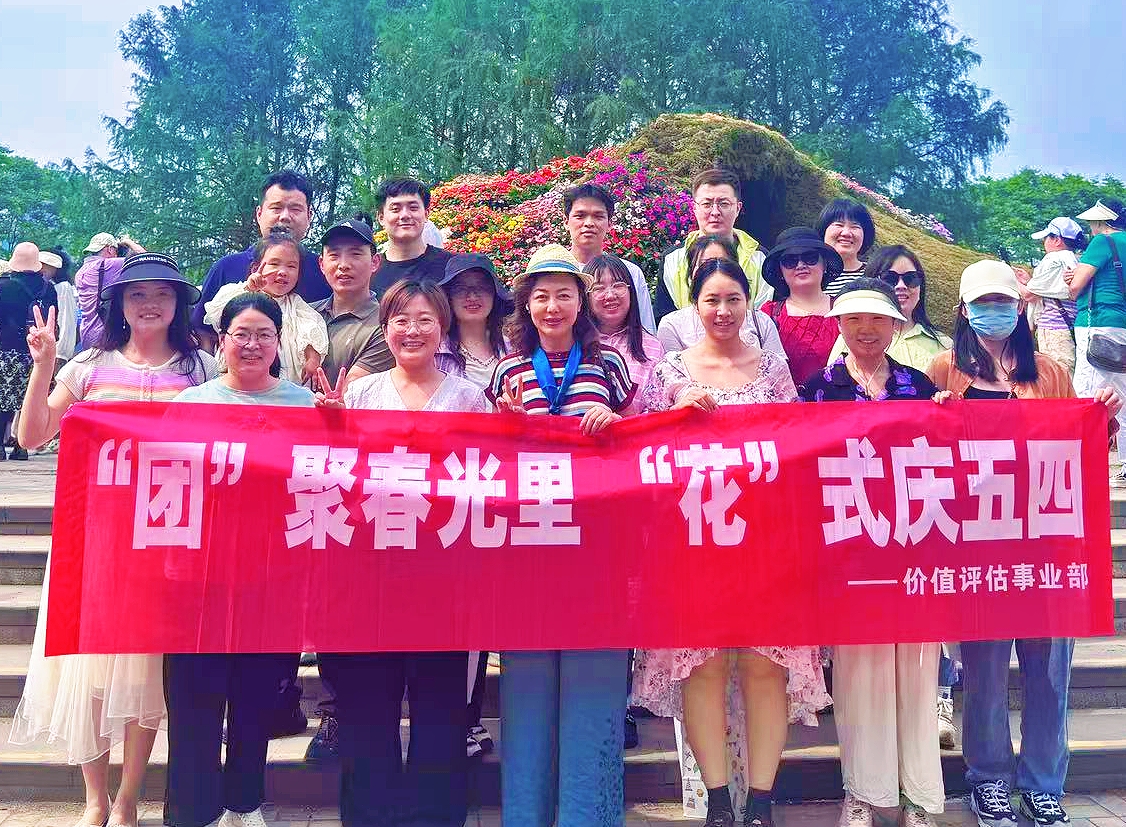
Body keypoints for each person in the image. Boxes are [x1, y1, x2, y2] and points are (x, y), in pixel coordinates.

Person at [11, 252, 215, 827]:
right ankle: (95, 799)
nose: (150, 304)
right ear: (119, 304)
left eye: (162, 294)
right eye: (137, 294)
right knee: (91, 669)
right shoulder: (89, 366)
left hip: (166, 537)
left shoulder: (200, 369)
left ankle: (128, 798)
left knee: (144, 669)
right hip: (94, 537)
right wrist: (43, 366)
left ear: (178, 304)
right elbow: (32, 435)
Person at [633, 257, 830, 827]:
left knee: (766, 664)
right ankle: (719, 801)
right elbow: (642, 452)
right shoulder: (669, 372)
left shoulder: (772, 368)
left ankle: (761, 802)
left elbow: (796, 444)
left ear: (749, 303)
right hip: (692, 541)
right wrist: (675, 415)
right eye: (711, 301)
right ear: (694, 306)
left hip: (765, 539)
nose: (722, 311)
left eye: (733, 300)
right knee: (704, 664)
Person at [929, 259, 1121, 827]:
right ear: (964, 310)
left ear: (1019, 307)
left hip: (1046, 547)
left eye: (1004, 301)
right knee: (985, 673)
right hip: (977, 547)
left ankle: (1043, 783)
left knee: (1049, 673)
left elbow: (1078, 449)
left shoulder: (1050, 372)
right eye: (984, 302)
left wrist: (1102, 422)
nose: (996, 311)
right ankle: (988, 779)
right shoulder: (943, 370)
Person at [314, 279, 483, 827]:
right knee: (368, 704)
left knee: (440, 706)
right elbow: (331, 478)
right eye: (400, 320)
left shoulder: (469, 398)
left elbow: (488, 479)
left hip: (443, 575)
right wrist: (328, 426)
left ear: (443, 327)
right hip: (369, 575)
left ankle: (436, 815)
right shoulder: (360, 394)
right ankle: (371, 815)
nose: (413, 330)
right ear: (385, 328)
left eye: (425, 319)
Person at [487, 244, 634, 827]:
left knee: (594, 675)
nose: (553, 306)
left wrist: (615, 424)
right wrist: (503, 427)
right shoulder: (506, 370)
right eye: (542, 296)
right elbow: (488, 456)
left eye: (564, 295)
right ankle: (525, 814)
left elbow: (639, 440)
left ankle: (588, 815)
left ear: (582, 303)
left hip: (596, 542)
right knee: (526, 680)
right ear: (526, 304)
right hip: (527, 541)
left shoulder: (609, 364)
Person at [798, 279, 944, 827]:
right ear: (839, 325)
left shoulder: (919, 386)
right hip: (850, 551)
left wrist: (948, 415)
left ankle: (919, 798)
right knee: (860, 675)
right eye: (855, 319)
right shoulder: (818, 389)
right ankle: (862, 793)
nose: (866, 329)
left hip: (913, 547)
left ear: (896, 326)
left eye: (878, 319)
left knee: (917, 672)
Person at [166, 292, 313, 827]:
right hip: (199, 573)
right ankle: (192, 811)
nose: (252, 345)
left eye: (264, 335)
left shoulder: (304, 405)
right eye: (241, 335)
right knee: (193, 698)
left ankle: (245, 804)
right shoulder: (191, 403)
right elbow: (166, 480)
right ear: (221, 340)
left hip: (272, 573)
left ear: (278, 342)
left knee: (256, 697)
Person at [302, 215, 396, 762]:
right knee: (323, 596)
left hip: (368, 475)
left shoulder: (387, 322)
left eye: (356, 253)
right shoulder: (303, 317)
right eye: (334, 254)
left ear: (374, 263)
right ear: (321, 265)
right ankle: (328, 709)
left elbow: (344, 393)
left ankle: (354, 711)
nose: (344, 264)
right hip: (306, 473)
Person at [434, 253, 511, 760]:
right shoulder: (432, 349)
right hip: (442, 497)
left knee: (480, 616)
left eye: (481, 286)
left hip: (501, 494)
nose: (472, 295)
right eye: (460, 287)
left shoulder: (516, 348)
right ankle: (448, 718)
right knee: (449, 613)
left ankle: (469, 717)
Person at [193, 170, 330, 349]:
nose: (285, 216)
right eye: (276, 208)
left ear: (309, 216)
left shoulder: (323, 271)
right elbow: (203, 331)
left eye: (295, 209)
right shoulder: (226, 268)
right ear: (259, 214)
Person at [203, 228, 329, 385]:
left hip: (284, 387)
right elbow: (216, 314)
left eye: (291, 266)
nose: (283, 272)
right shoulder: (240, 295)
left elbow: (313, 328)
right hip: (237, 384)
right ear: (255, 268)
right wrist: (248, 288)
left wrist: (312, 359)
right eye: (275, 264)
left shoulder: (296, 306)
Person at [656, 168, 771, 320]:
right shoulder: (673, 259)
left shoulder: (760, 258)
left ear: (738, 208)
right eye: (707, 204)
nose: (715, 212)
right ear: (694, 208)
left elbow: (764, 318)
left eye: (724, 203)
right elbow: (665, 318)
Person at [1068, 198, 1126, 483]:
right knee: (1122, 395)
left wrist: (1074, 279)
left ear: (1102, 221)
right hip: (1122, 325)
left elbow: (1075, 287)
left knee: (1088, 393)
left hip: (1099, 325)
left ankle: (1084, 465)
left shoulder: (1103, 242)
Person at [655, 234, 786, 358]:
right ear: (691, 272)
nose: (716, 270)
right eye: (705, 264)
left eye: (722, 262)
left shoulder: (761, 323)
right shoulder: (672, 326)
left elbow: (777, 370)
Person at [826, 246, 952, 370]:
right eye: (889, 278)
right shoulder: (852, 336)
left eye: (910, 278)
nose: (901, 286)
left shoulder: (944, 345)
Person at [564, 183, 656, 331]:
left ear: (609, 224)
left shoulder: (629, 272)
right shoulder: (556, 273)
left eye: (598, 216)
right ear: (566, 222)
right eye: (580, 216)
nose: (589, 223)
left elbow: (645, 330)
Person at [759, 227, 843, 387]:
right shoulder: (768, 314)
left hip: (838, 401)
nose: (800, 265)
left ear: (824, 264)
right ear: (780, 271)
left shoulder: (844, 310)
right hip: (784, 400)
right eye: (790, 261)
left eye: (810, 258)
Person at [585, 254, 664, 415]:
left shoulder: (651, 347)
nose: (610, 295)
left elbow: (658, 410)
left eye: (618, 285)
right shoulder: (571, 343)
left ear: (630, 291)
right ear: (585, 297)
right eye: (599, 288)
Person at [0, 242, 58, 461]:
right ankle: (21, 446)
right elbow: (54, 321)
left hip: (5, 350)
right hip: (37, 352)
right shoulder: (48, 289)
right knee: (30, 399)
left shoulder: (3, 286)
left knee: (3, 399)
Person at [1023, 217, 1086, 373]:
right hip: (1069, 327)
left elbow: (1029, 295)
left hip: (1054, 329)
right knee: (1066, 373)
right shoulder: (1075, 261)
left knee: (1058, 375)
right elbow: (1049, 291)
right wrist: (1028, 281)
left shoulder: (1054, 259)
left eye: (1046, 238)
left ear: (1057, 240)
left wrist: (1011, 280)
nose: (1043, 242)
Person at [372, 178, 453, 297]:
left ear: (426, 214)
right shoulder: (369, 273)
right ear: (381, 218)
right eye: (395, 209)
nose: (405, 215)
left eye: (413, 208)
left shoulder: (451, 267)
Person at [74, 232, 147, 349]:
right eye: (116, 251)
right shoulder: (107, 265)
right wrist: (128, 242)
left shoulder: (80, 272)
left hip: (86, 333)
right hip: (104, 333)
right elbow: (145, 259)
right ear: (109, 249)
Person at [818, 199, 876, 297]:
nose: (846, 233)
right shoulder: (808, 273)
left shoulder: (876, 275)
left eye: (855, 227)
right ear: (823, 230)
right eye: (839, 225)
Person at [39, 248, 79, 362]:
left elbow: (66, 321)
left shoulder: (63, 288)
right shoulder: (47, 287)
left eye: (45, 264)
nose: (42, 268)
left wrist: (60, 352)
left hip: (57, 352)